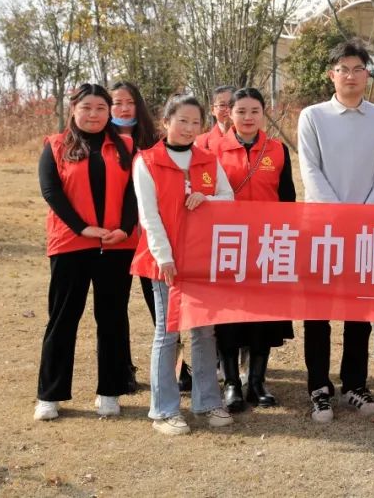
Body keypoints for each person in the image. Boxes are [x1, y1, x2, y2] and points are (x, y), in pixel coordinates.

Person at [297, 38, 374, 422]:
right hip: (321, 230)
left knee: (359, 310)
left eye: (357, 69)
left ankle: (355, 383)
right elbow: (310, 170)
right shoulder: (313, 117)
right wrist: (339, 217)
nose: (350, 76)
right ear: (331, 75)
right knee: (317, 313)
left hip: (365, 231)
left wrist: (363, 218)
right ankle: (319, 388)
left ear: (367, 74)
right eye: (343, 69)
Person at [130, 93, 235, 436]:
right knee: (168, 332)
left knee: (204, 330)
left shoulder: (207, 160)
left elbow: (229, 198)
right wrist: (164, 257)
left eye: (195, 122)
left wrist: (208, 198)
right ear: (166, 122)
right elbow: (149, 216)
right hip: (167, 262)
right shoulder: (147, 161)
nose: (189, 128)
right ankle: (164, 410)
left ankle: (207, 402)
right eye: (182, 121)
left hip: (202, 260)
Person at [34, 83, 138, 421]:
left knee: (112, 317)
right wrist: (82, 228)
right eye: (86, 108)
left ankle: (110, 391)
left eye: (100, 108)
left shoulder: (126, 146)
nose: (93, 114)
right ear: (73, 110)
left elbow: (135, 192)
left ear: (110, 112)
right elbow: (51, 191)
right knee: (63, 318)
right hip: (70, 244)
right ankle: (49, 395)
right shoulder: (56, 145)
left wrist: (125, 228)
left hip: (117, 244)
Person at [212, 88, 296, 412]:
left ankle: (257, 382)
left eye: (255, 111)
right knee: (228, 316)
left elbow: (287, 199)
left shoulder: (277, 150)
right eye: (241, 111)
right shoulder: (212, 149)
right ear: (229, 113)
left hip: (267, 244)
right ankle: (232, 383)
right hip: (228, 244)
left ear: (264, 114)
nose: (248, 118)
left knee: (264, 315)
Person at [108, 80, 161, 393]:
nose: (124, 108)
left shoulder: (154, 141)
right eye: (117, 103)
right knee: (115, 308)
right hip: (117, 237)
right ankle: (122, 370)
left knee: (161, 307)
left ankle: (176, 368)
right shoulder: (102, 141)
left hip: (152, 237)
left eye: (129, 102)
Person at [195, 85, 236, 151]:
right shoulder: (201, 143)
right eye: (222, 105)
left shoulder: (250, 138)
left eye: (232, 104)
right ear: (212, 110)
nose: (228, 109)